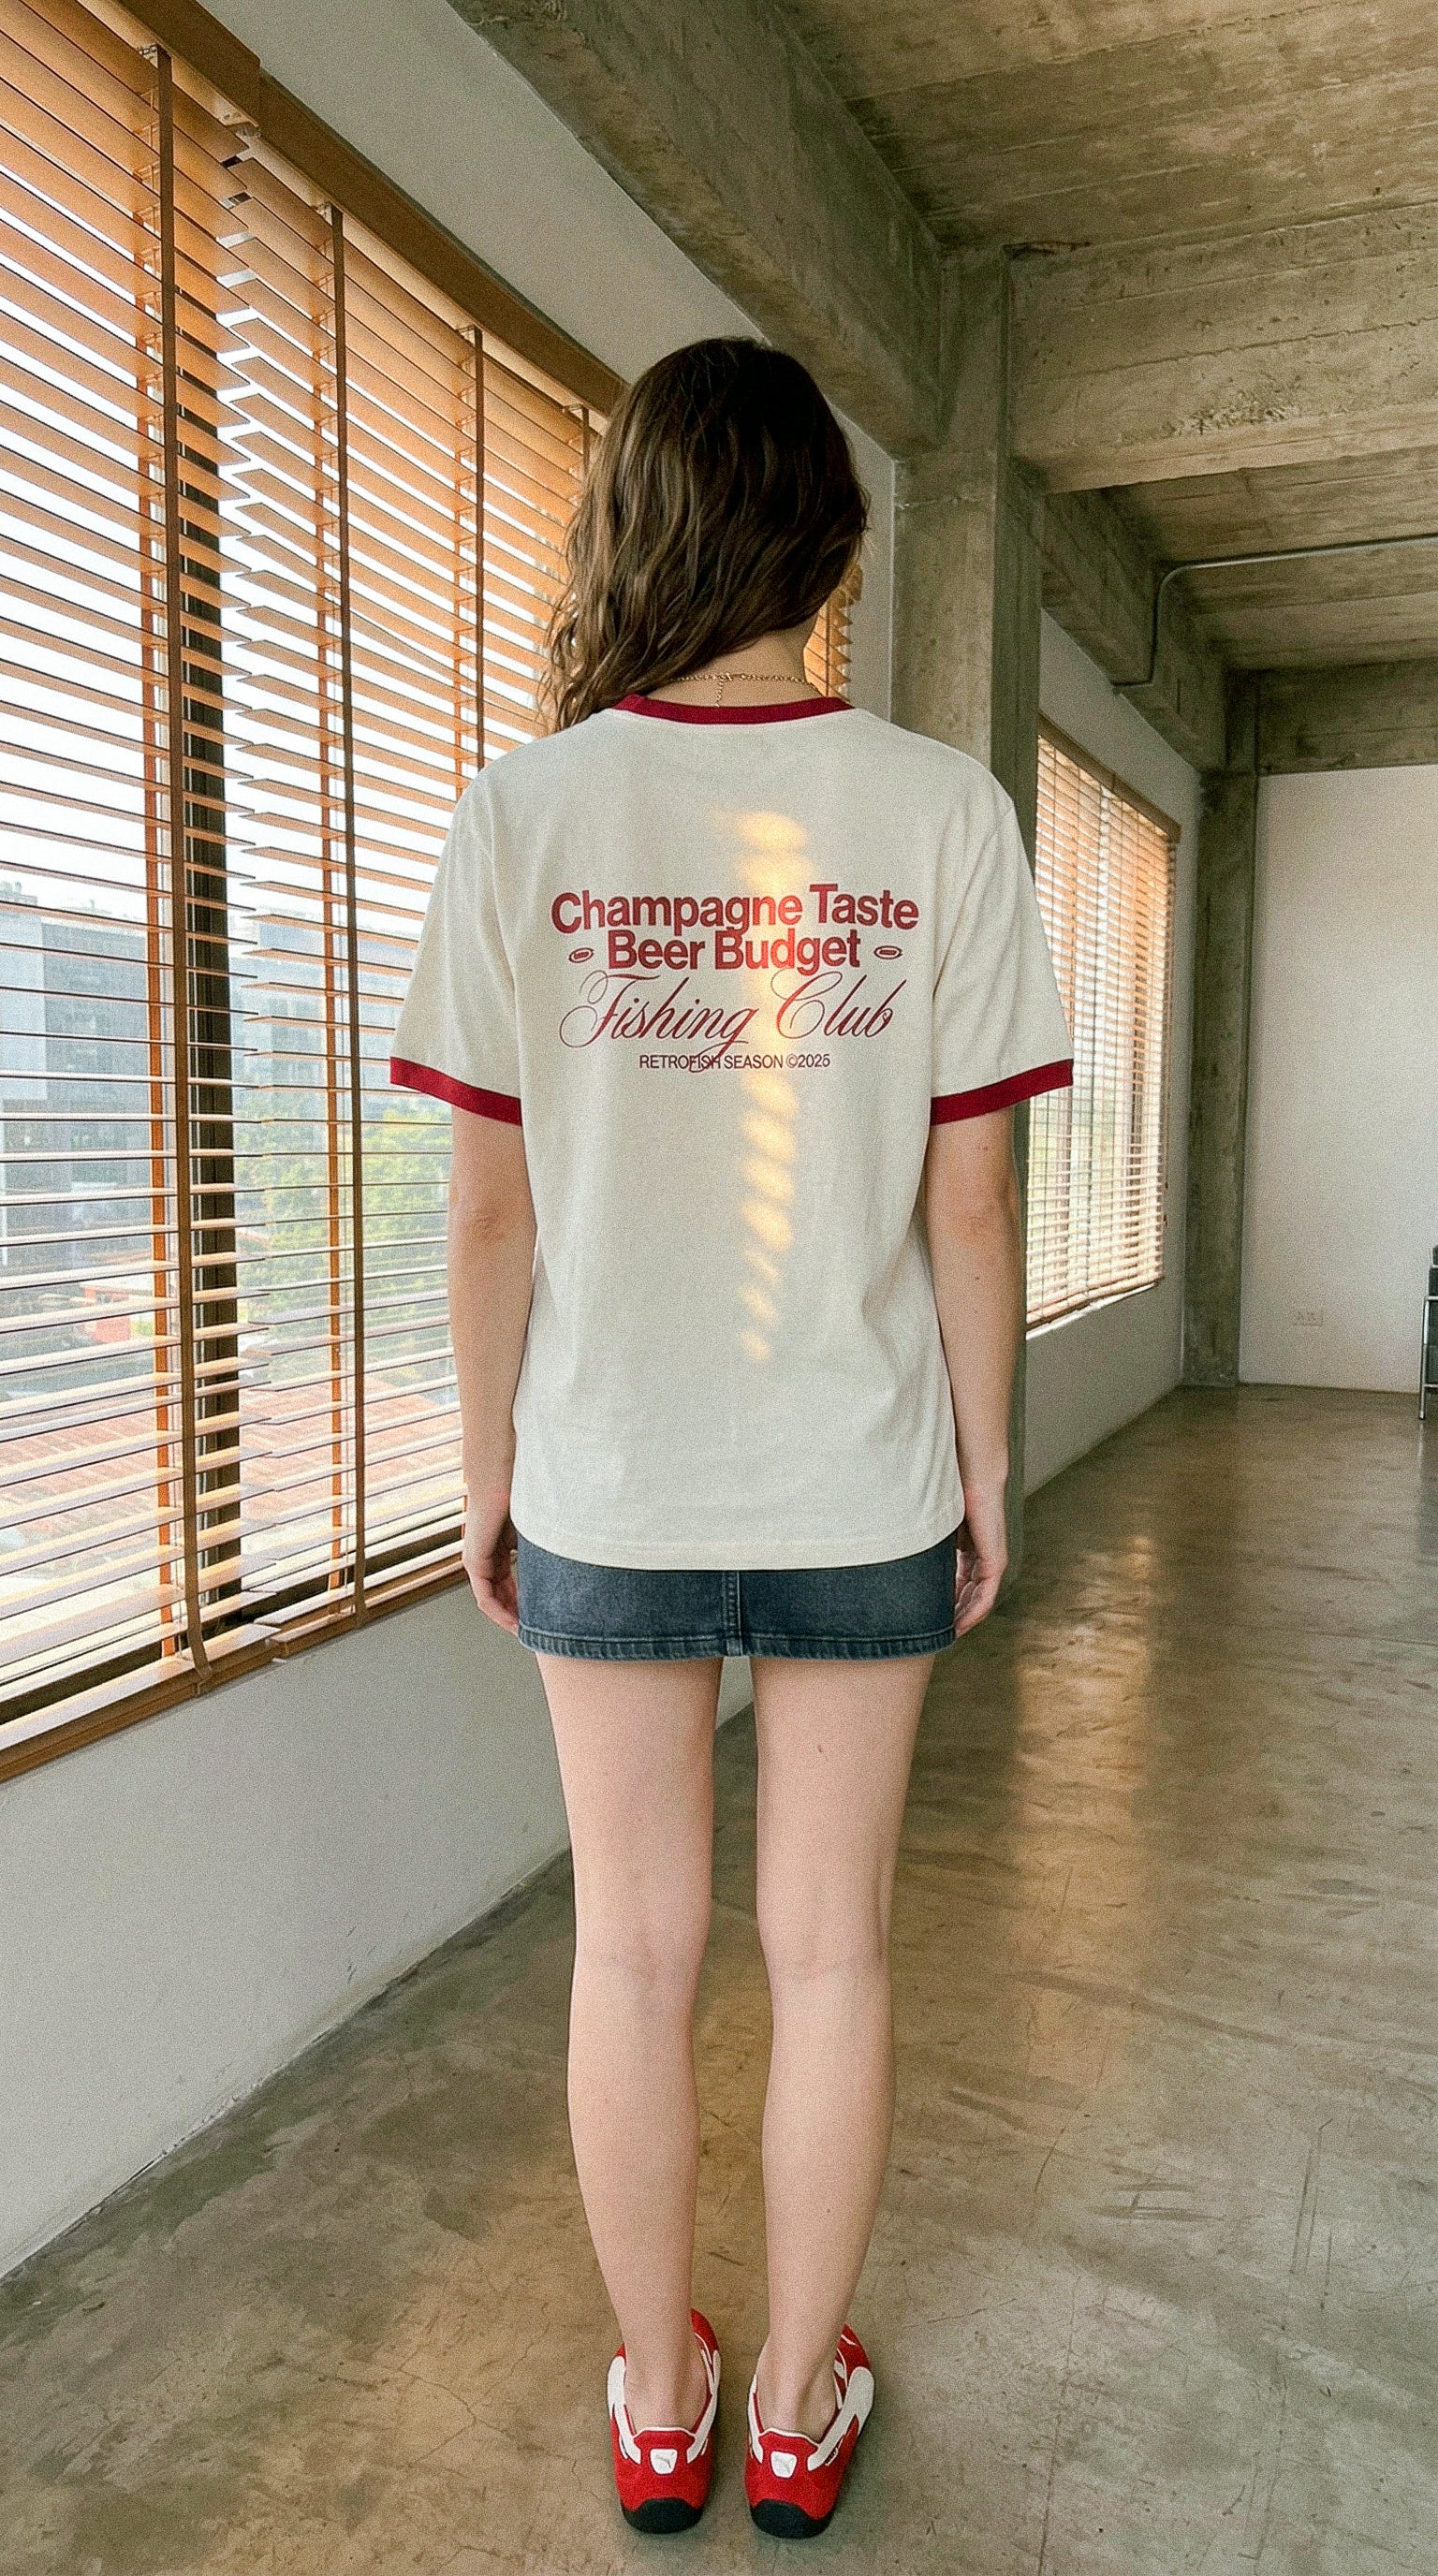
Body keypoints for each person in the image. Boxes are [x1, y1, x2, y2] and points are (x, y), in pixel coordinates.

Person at [389, 336, 1073, 2539]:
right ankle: (795, 2407)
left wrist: (489, 1476)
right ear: (833, 545)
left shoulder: (523, 814)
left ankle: (661, 2400)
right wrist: (986, 1465)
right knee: (834, 1949)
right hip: (860, 1472)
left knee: (633, 1950)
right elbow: (970, 1203)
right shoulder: (943, 812)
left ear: (636, 531)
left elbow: (489, 1210)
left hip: (609, 1475)